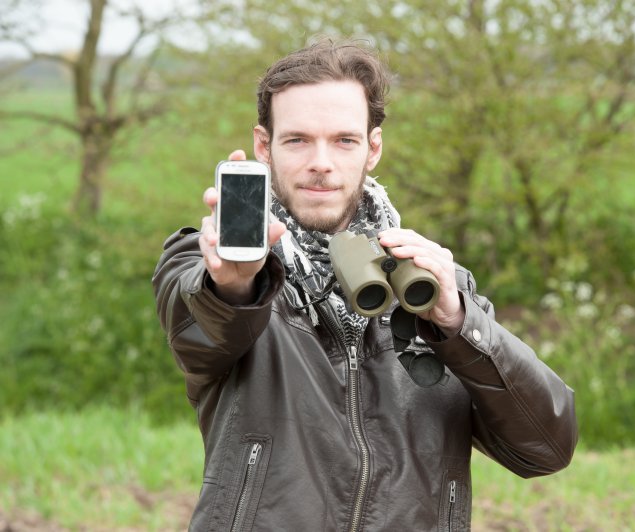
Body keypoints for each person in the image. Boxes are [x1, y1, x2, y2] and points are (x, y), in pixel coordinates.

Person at [153, 38, 577, 531]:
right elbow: (202, 331)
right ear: (263, 146)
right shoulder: (205, 263)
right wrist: (234, 287)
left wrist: (458, 324)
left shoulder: (431, 285)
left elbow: (546, 448)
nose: (321, 162)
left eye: (344, 140)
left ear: (372, 148)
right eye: (297, 140)